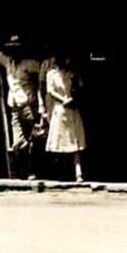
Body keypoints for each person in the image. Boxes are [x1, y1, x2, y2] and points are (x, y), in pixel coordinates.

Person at [2, 41, 42, 179]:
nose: (12, 53)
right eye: (10, 50)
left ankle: (31, 170)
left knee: (32, 138)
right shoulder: (8, 62)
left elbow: (43, 72)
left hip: (28, 105)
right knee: (18, 142)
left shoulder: (28, 63)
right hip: (14, 106)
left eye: (15, 50)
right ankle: (22, 170)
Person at [44, 54, 86, 182]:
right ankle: (61, 173)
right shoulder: (51, 74)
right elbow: (50, 90)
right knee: (60, 140)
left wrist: (73, 98)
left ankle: (78, 173)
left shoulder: (72, 74)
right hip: (60, 109)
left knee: (75, 141)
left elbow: (80, 88)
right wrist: (63, 99)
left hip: (72, 109)